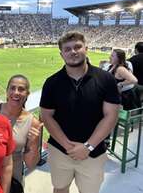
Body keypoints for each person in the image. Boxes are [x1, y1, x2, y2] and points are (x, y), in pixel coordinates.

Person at [40, 32, 120, 193]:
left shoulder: (106, 79)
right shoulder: (52, 82)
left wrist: (87, 146)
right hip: (60, 150)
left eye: (77, 47)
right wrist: (67, 146)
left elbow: (111, 116)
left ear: (86, 49)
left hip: (94, 151)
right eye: (67, 49)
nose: (73, 52)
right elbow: (46, 116)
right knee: (60, 188)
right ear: (61, 54)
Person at [0, 74, 42, 191]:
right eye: (12, 88)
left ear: (27, 94)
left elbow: (30, 164)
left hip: (13, 179)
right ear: (7, 90)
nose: (16, 92)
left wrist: (34, 144)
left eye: (21, 89)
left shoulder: (32, 123)